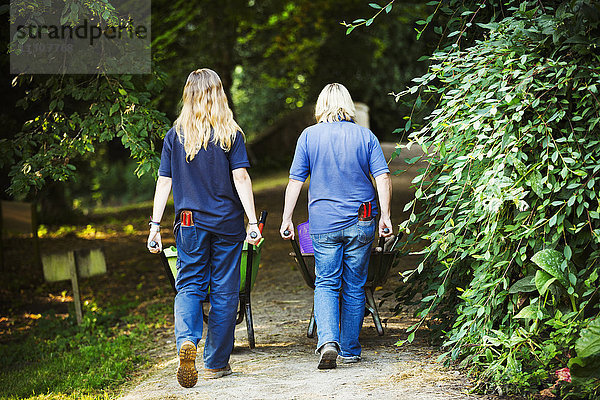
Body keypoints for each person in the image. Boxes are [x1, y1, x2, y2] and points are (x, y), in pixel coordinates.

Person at [147, 68, 261, 388]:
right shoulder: (230, 133)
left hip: (189, 223)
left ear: (188, 95)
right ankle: (215, 363)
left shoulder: (175, 135)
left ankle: (187, 340)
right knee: (225, 291)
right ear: (219, 94)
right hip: (227, 222)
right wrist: (253, 222)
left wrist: (154, 226)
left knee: (190, 285)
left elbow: (164, 181)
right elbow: (241, 178)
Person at [280, 83, 392, 370]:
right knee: (355, 284)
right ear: (348, 105)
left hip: (324, 222)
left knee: (326, 282)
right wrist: (386, 216)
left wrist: (286, 218)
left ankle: (328, 341)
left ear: (321, 106)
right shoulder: (365, 136)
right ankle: (351, 349)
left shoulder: (308, 136)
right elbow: (382, 178)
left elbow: (295, 181)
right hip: (362, 219)